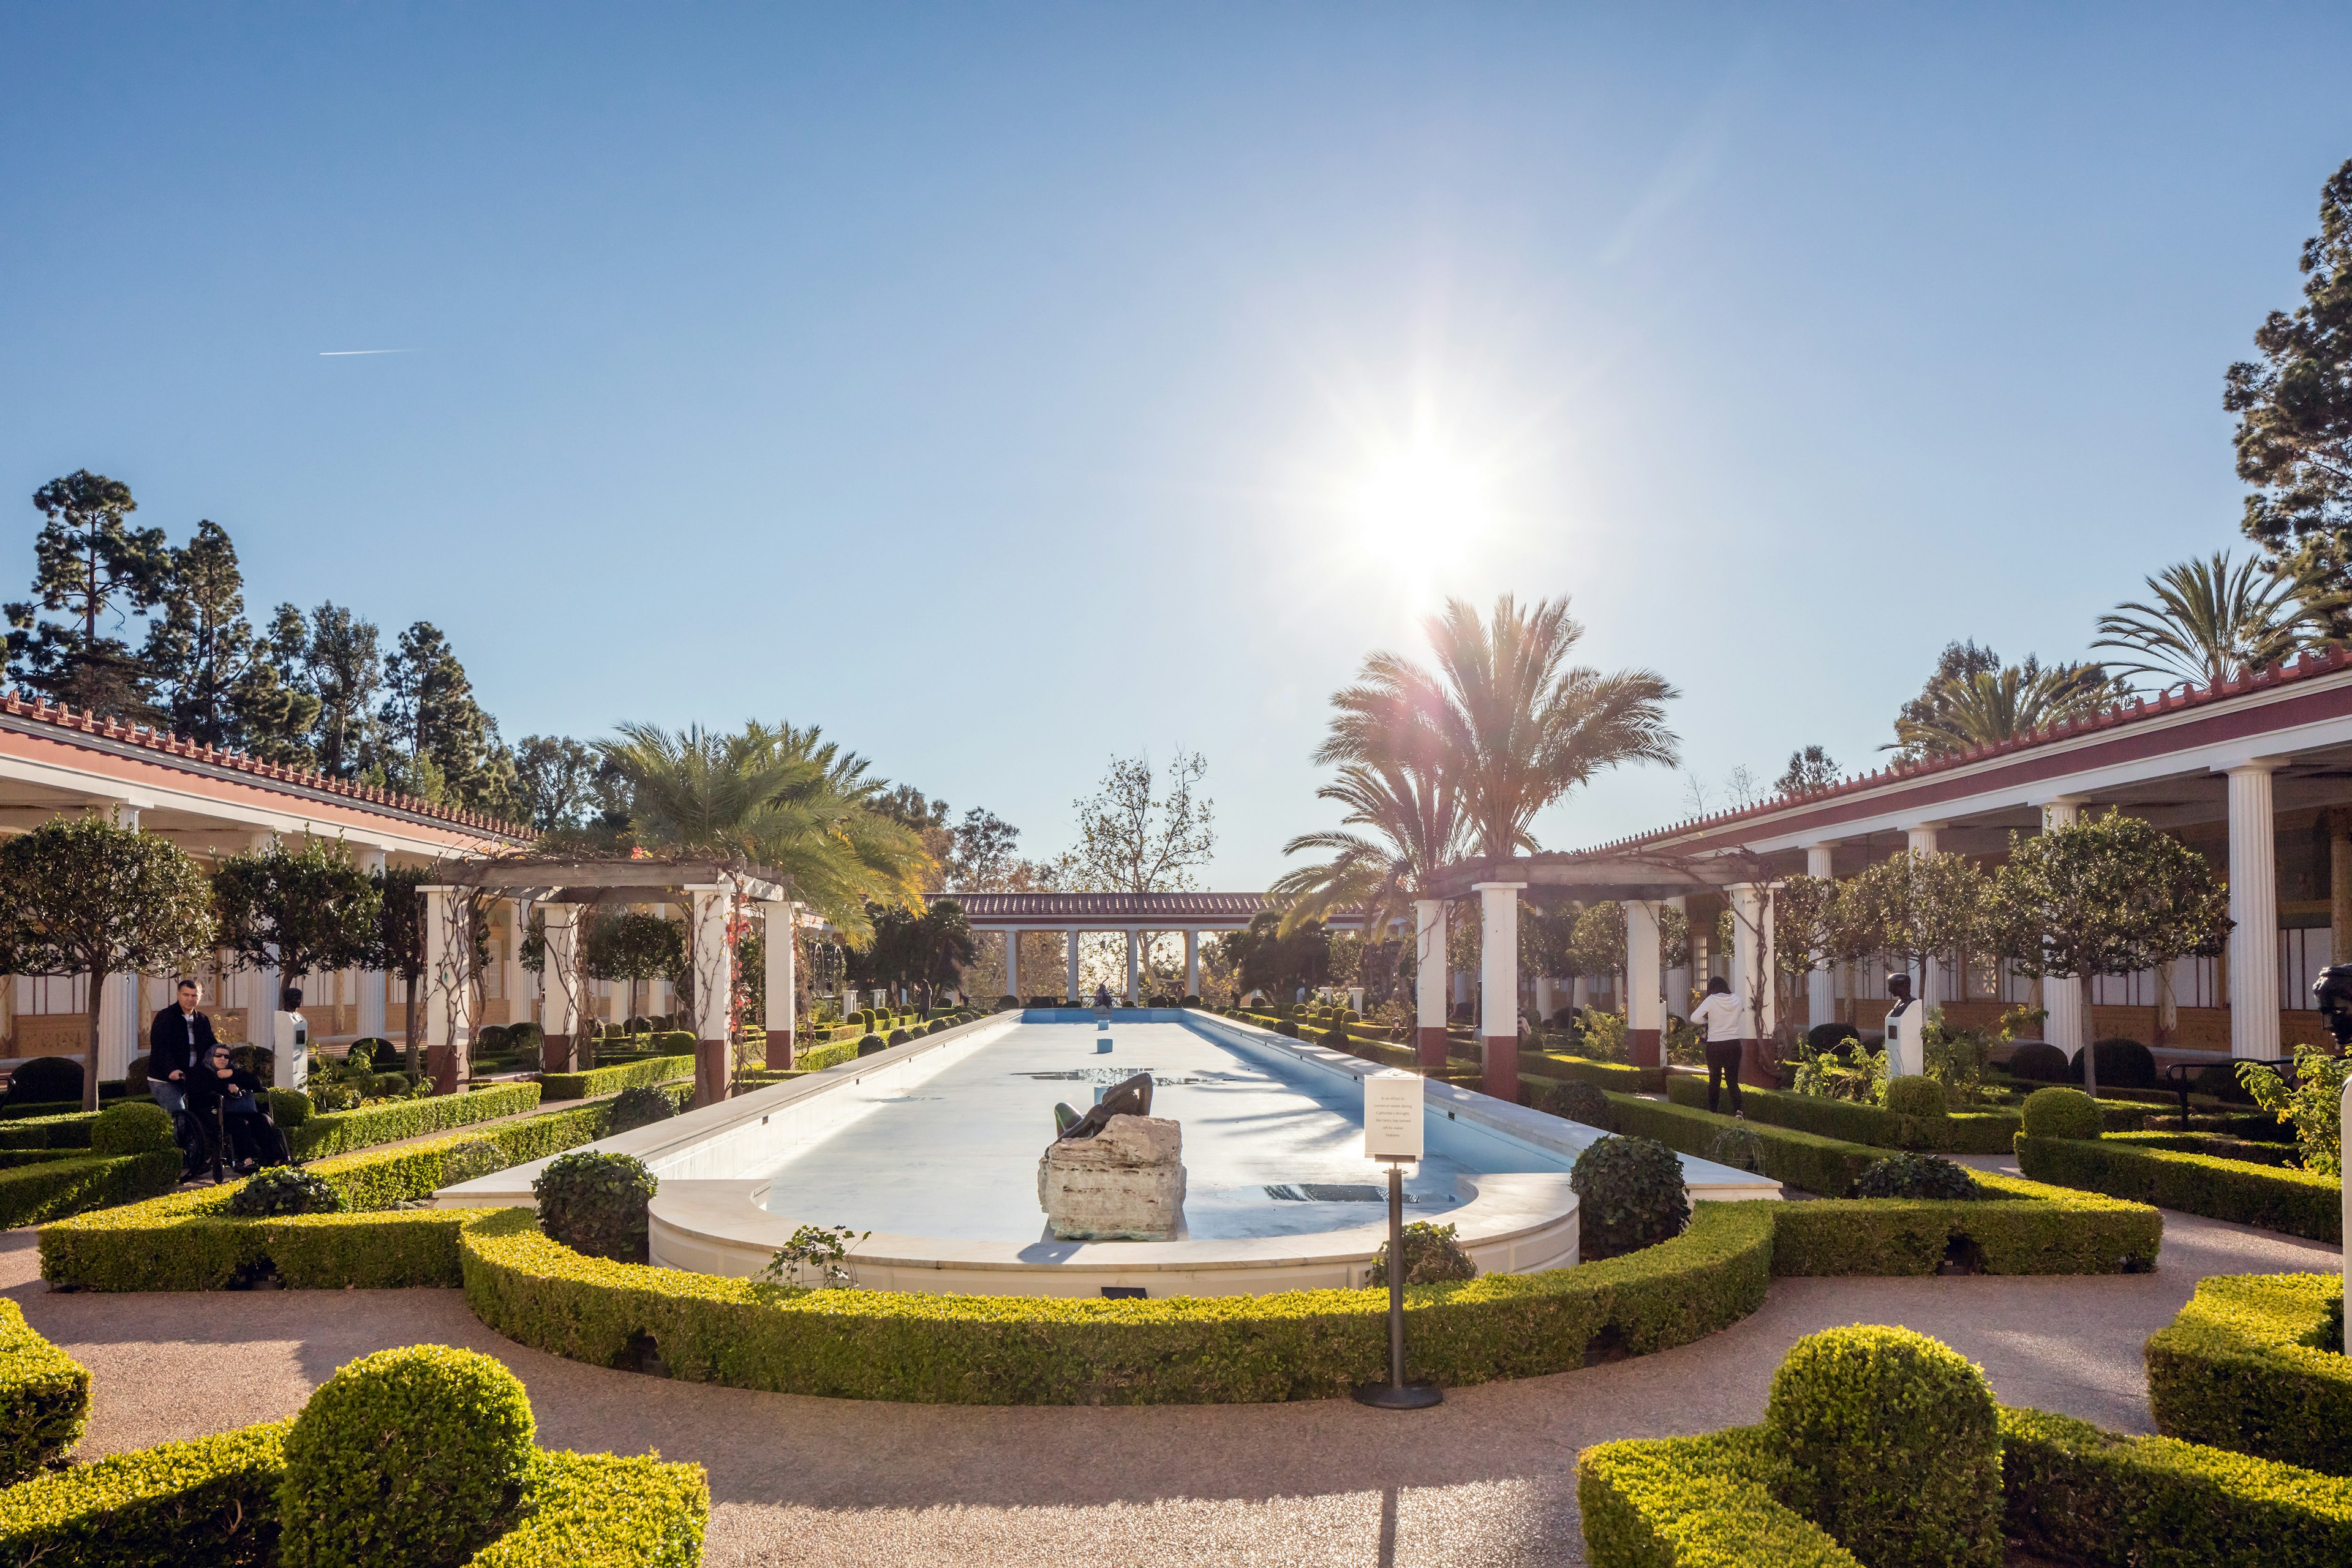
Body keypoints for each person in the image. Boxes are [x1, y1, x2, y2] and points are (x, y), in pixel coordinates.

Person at [182, 1043, 287, 1176]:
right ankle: (246, 1162)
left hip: (240, 1109)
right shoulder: (199, 1072)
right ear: (211, 1056)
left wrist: (233, 1074)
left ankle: (277, 1160)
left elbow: (256, 1083)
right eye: (218, 1055)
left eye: (226, 1056)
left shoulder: (233, 1070)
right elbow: (197, 1090)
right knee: (240, 1124)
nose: (223, 1059)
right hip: (214, 1112)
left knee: (263, 1119)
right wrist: (226, 1087)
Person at [148, 978, 219, 1175]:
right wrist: (171, 1070)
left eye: (194, 995)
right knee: (178, 1117)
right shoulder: (165, 1017)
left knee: (203, 1115)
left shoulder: (202, 1020)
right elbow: (161, 1048)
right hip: (164, 1079)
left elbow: (211, 1046)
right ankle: (176, 1161)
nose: (190, 999)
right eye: (186, 995)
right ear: (178, 995)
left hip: (191, 1078)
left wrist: (223, 1059)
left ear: (200, 996)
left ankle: (197, 1158)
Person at [1689, 976, 1747, 1116]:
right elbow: (1739, 1014)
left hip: (1715, 1045)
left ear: (1712, 989)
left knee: (1714, 1080)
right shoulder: (1737, 1000)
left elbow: (1694, 1018)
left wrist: (1707, 1020)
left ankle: (1713, 1112)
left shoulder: (1711, 1000)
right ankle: (1738, 1111)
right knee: (1732, 1081)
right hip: (1733, 1044)